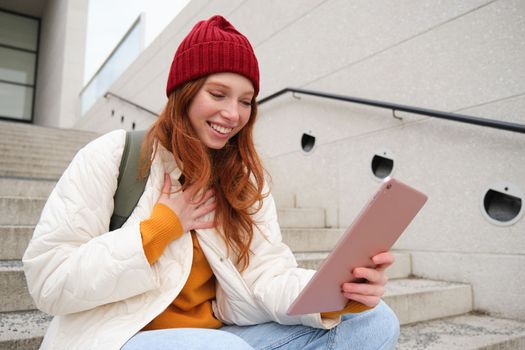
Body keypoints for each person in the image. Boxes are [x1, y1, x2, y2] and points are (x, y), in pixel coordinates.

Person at [23, 15, 400, 350]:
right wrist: (157, 229)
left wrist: (331, 294)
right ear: (183, 93)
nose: (233, 114)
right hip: (116, 337)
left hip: (221, 336)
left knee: (374, 319)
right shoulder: (113, 156)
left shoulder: (244, 182)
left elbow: (264, 278)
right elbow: (48, 280)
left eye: (247, 101)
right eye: (218, 94)